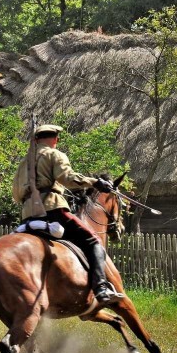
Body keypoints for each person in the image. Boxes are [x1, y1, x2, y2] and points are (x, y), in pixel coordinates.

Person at [12, 124, 125, 304]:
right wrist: (95, 182)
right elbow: (68, 178)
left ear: (35, 140)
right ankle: (101, 288)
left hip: (27, 216)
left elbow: (16, 195)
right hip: (53, 210)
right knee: (93, 240)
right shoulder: (55, 154)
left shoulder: (23, 163)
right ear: (55, 139)